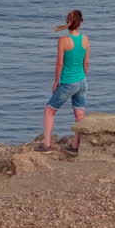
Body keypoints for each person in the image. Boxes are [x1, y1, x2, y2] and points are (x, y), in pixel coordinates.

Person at [39, 9, 89, 153]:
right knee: (79, 115)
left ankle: (46, 145)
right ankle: (75, 146)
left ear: (68, 22)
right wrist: (82, 77)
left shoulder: (63, 41)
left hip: (68, 82)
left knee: (49, 110)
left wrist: (56, 81)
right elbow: (86, 63)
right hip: (82, 81)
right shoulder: (85, 39)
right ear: (81, 23)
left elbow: (59, 64)